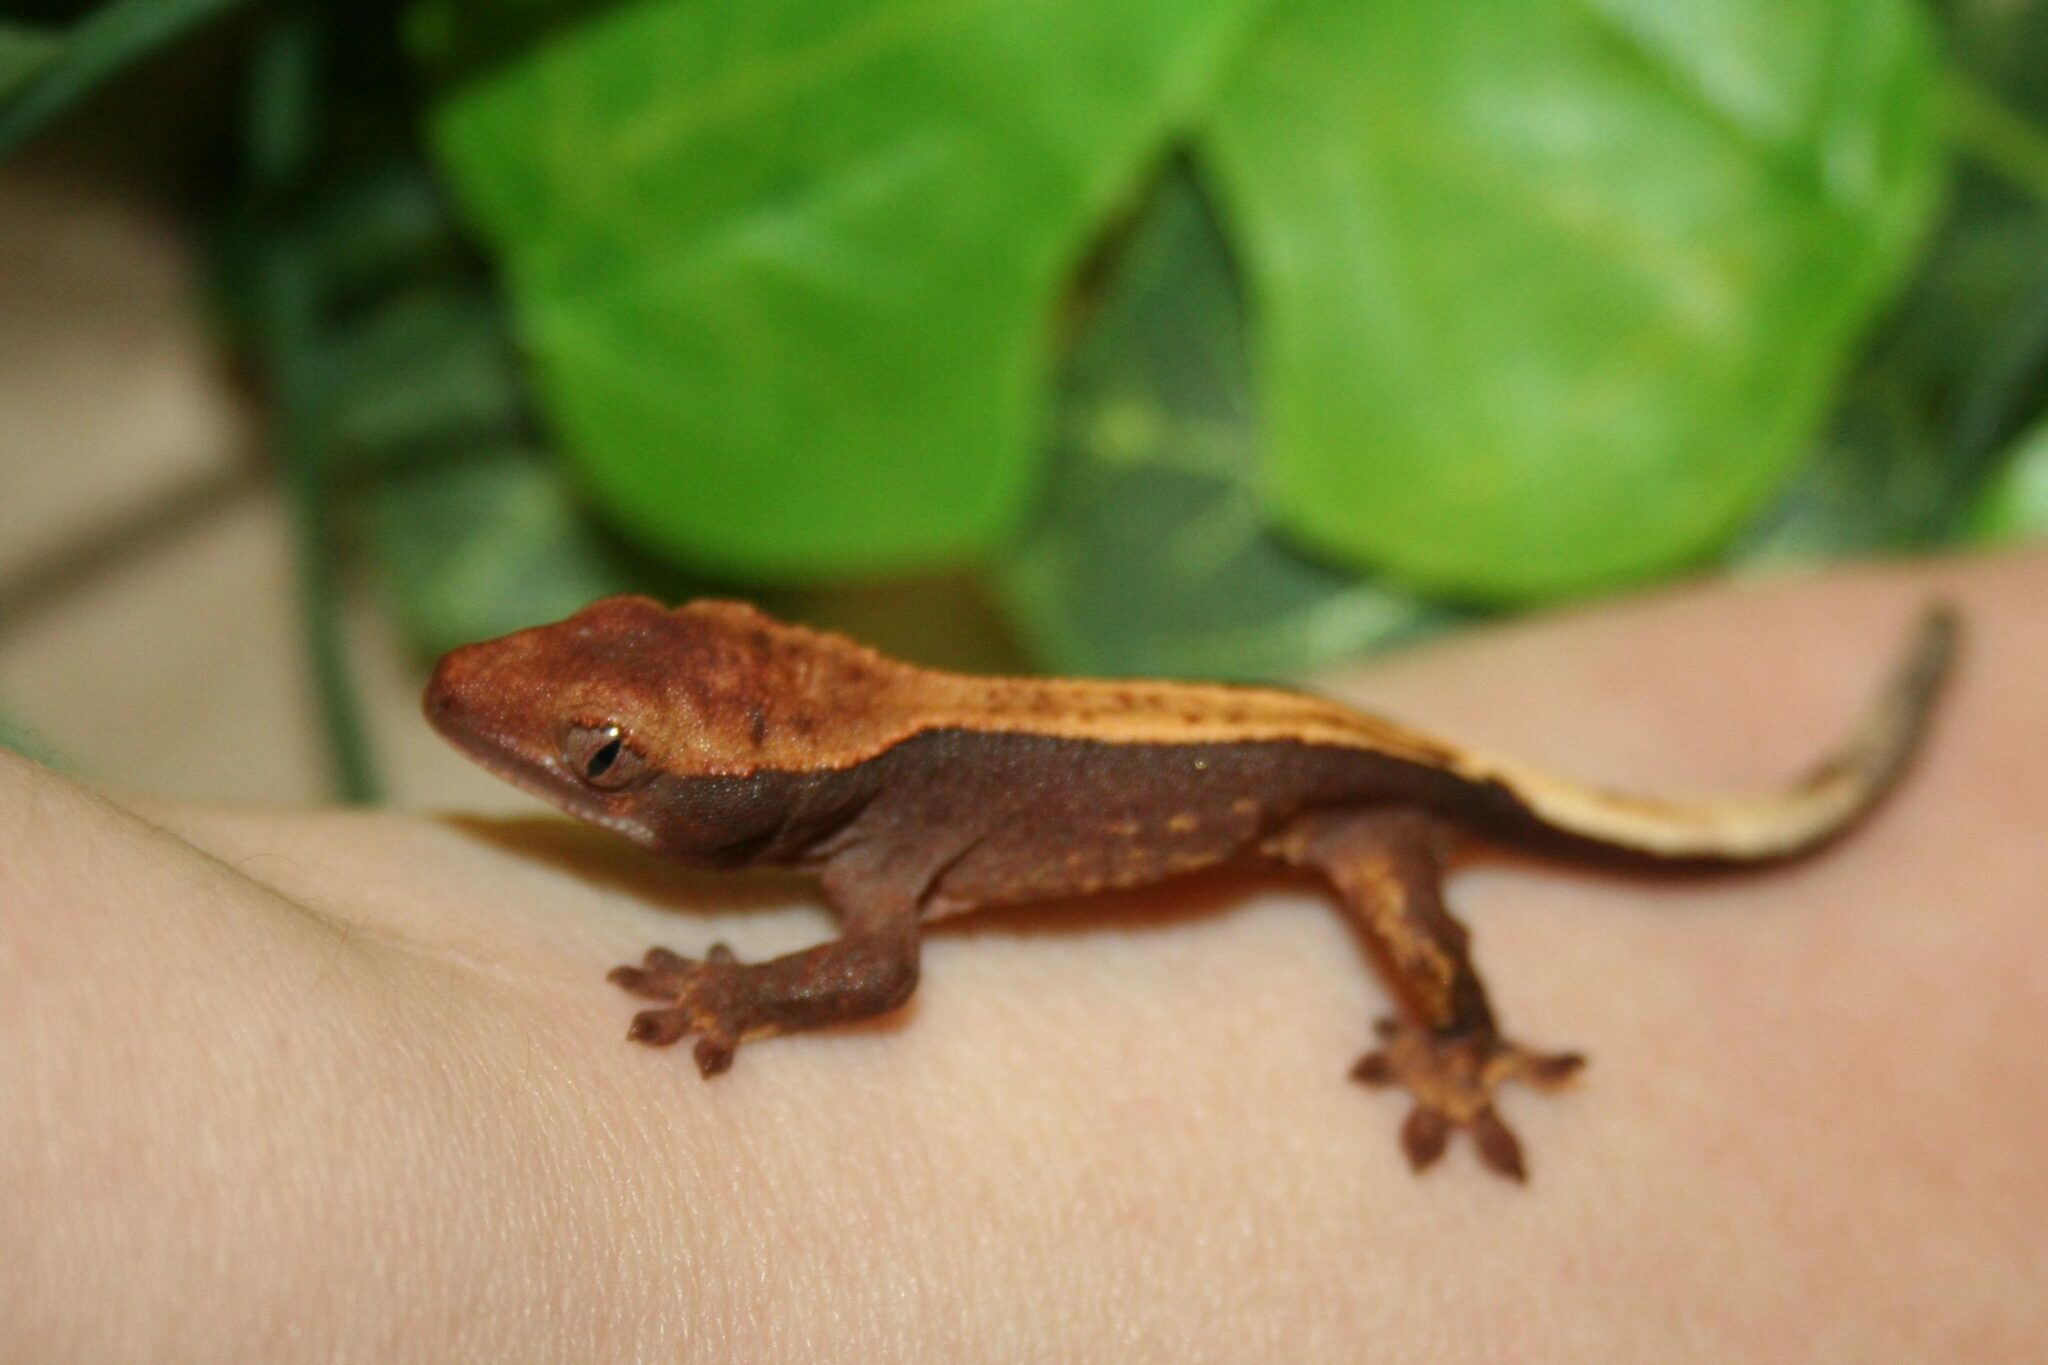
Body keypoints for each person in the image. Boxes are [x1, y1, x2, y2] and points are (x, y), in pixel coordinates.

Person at [5, 555, 2043, 1359]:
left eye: (599, 755)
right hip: (1274, 742)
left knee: (1404, 908)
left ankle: (1465, 1046)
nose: (502, 710)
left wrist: (728, 990)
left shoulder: (873, 832)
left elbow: (880, 979)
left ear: (736, 787)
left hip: (1349, 791)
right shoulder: (854, 786)